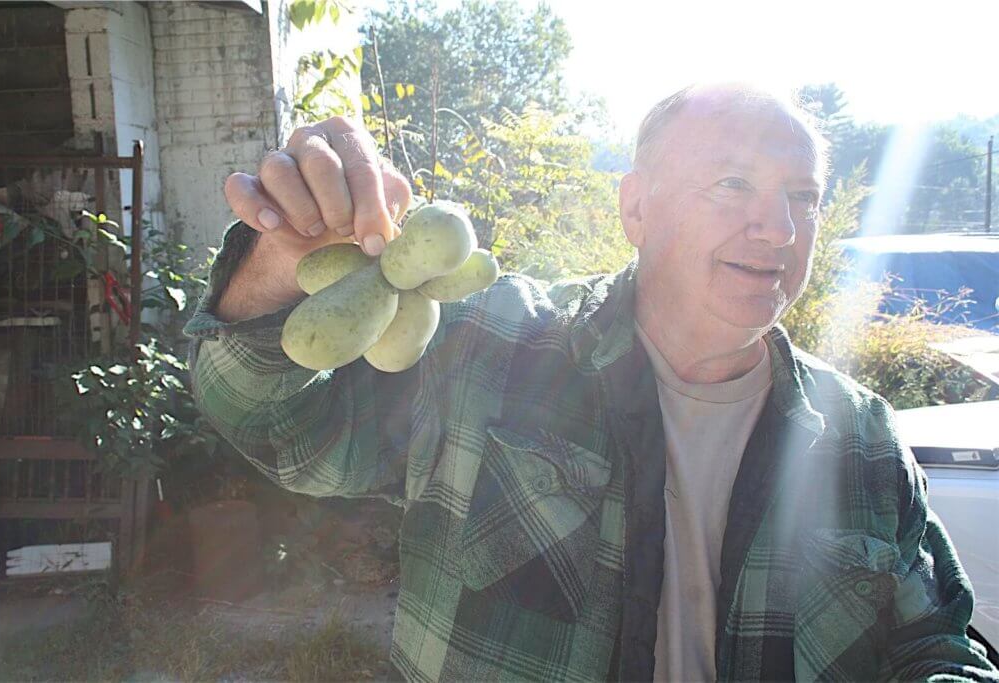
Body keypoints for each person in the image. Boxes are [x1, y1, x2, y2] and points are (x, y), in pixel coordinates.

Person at [185, 83, 998, 681]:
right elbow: (271, 425)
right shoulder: (490, 345)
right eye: (734, 185)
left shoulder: (862, 436)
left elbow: (940, 643)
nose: (779, 229)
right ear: (635, 208)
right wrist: (278, 266)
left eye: (802, 198)